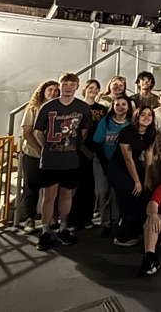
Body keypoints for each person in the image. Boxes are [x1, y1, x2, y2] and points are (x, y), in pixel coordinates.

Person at [33, 72, 91, 251]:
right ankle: (45, 231)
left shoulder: (83, 108)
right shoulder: (48, 106)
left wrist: (71, 147)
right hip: (50, 160)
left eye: (72, 84)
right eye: (65, 84)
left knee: (67, 195)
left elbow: (83, 132)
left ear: (77, 86)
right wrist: (48, 148)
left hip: (71, 160)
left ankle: (63, 228)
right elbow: (39, 131)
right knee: (48, 195)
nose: (68, 87)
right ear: (60, 85)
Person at [108, 105, 156, 246]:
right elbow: (127, 159)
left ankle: (138, 231)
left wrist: (146, 178)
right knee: (132, 193)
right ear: (137, 117)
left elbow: (148, 157)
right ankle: (123, 236)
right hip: (118, 167)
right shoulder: (126, 132)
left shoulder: (151, 133)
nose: (146, 118)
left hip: (135, 164)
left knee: (146, 193)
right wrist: (137, 181)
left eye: (149, 115)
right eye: (143, 115)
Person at [18, 79, 59, 233]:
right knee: (31, 186)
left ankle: (51, 216)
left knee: (52, 188)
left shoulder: (59, 108)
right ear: (43, 91)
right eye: (50, 90)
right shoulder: (33, 109)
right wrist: (42, 151)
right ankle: (30, 218)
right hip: (33, 154)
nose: (53, 93)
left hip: (54, 156)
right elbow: (27, 133)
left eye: (56, 90)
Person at [92, 95, 132, 238]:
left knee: (116, 193)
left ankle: (115, 221)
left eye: (123, 104)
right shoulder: (106, 122)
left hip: (120, 165)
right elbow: (97, 144)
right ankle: (104, 222)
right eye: (117, 104)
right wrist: (105, 165)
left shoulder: (130, 124)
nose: (120, 107)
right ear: (113, 107)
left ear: (128, 107)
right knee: (103, 192)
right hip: (102, 161)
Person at [69, 79, 106, 231]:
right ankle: (73, 220)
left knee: (91, 186)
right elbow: (75, 132)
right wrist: (84, 150)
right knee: (79, 186)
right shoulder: (77, 107)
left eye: (96, 88)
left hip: (97, 151)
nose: (93, 90)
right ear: (85, 89)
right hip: (81, 151)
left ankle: (87, 218)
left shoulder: (102, 109)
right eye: (90, 87)